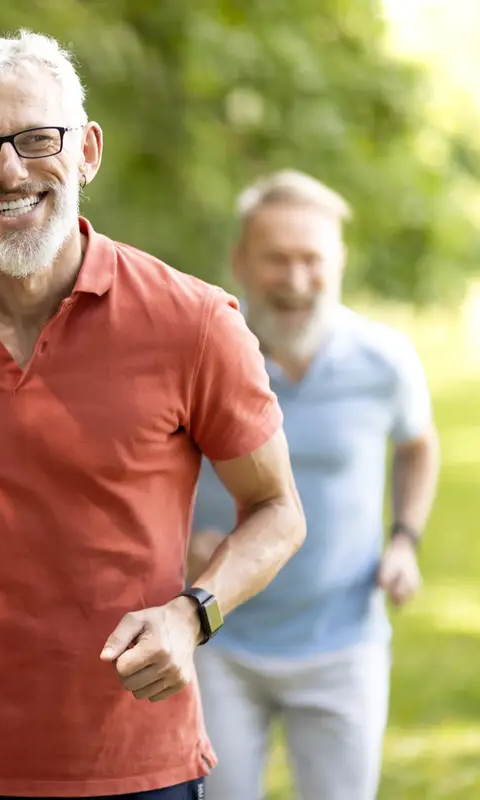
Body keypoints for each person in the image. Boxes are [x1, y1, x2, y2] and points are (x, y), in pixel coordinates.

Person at [0, 30, 307, 800]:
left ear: (87, 151)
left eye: (37, 139)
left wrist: (191, 616)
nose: (10, 172)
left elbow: (278, 510)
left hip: (136, 759)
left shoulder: (194, 323)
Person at [188, 171, 441, 800]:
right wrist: (176, 546)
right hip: (217, 635)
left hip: (345, 643)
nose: (296, 280)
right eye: (276, 259)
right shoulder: (199, 355)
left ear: (340, 262)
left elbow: (417, 444)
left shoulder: (384, 360)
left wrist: (404, 540)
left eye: (312, 259)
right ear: (240, 262)